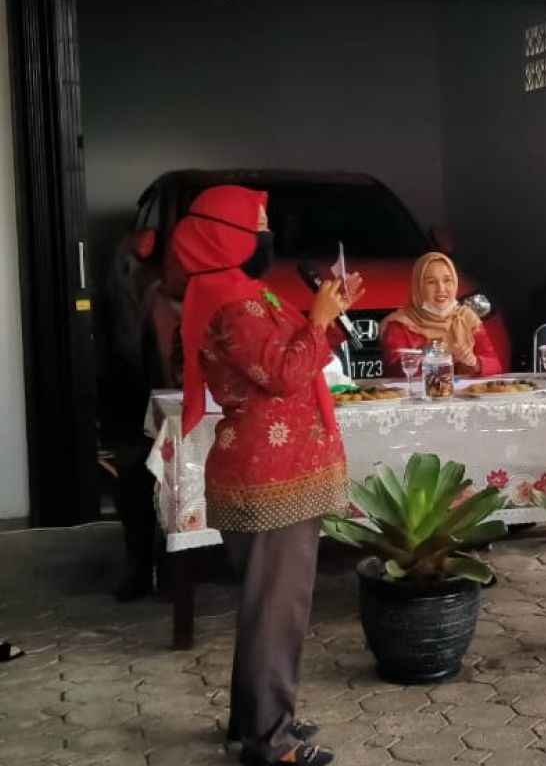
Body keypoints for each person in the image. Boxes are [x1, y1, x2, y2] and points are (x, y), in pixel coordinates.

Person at [175, 185, 362, 766]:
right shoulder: (232, 304)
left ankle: (253, 722)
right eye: (258, 224)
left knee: (269, 606)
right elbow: (282, 374)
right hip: (268, 476)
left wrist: (329, 322)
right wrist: (316, 319)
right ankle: (268, 741)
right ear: (227, 235)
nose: (267, 236)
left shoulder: (241, 294)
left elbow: (297, 359)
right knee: (275, 609)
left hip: (275, 471)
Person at [381, 252, 500, 378]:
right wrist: (430, 354)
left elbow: (496, 366)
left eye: (447, 280)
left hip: (463, 395)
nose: (441, 289)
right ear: (418, 287)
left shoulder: (466, 317)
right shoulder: (400, 324)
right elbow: (396, 372)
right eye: (431, 282)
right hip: (418, 396)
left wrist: (474, 362)